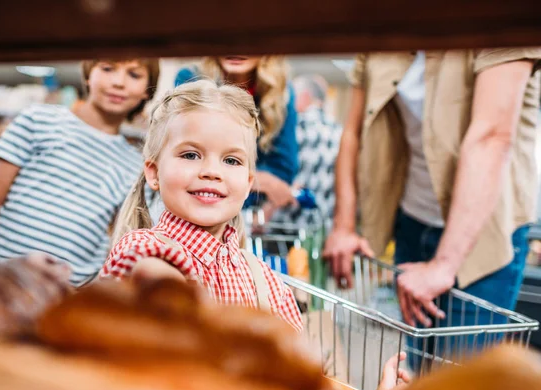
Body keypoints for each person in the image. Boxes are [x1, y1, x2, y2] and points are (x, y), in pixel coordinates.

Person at [323, 49, 541, 333]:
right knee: (421, 366)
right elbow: (352, 132)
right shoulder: (382, 25)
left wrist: (444, 265)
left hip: (485, 237)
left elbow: (492, 137)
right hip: (412, 220)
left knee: (462, 373)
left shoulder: (497, 15)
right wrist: (344, 225)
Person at [100, 80, 303, 331]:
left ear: (249, 182)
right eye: (190, 155)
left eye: (231, 160)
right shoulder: (144, 250)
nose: (211, 172)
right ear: (153, 173)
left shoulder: (267, 282)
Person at [0, 58, 160, 286]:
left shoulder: (136, 166)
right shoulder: (38, 121)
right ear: (88, 75)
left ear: (147, 91)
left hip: (64, 297)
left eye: (134, 75)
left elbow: (118, 242)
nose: (119, 82)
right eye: (108, 69)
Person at [173, 56, 299, 210]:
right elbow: (188, 159)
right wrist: (264, 181)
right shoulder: (191, 79)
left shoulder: (281, 92)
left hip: (250, 211)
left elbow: (283, 169)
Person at [266, 74, 341, 229]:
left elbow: (291, 183)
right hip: (323, 229)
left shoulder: (294, 129)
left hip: (286, 229)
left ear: (304, 97)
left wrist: (264, 213)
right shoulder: (339, 132)